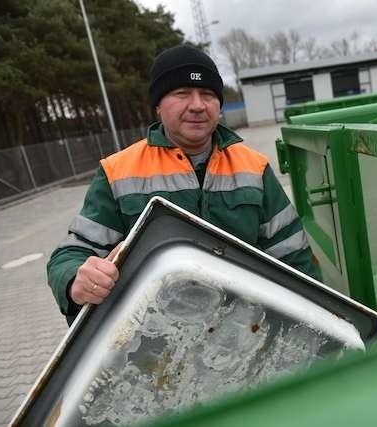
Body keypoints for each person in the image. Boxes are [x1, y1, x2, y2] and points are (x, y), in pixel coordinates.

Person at [47, 44, 321, 324]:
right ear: (158, 106)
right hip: (157, 344)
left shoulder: (254, 167)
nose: (198, 105)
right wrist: (74, 280)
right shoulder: (118, 171)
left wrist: (317, 317)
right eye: (181, 93)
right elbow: (71, 254)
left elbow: (293, 256)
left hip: (242, 335)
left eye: (208, 94)